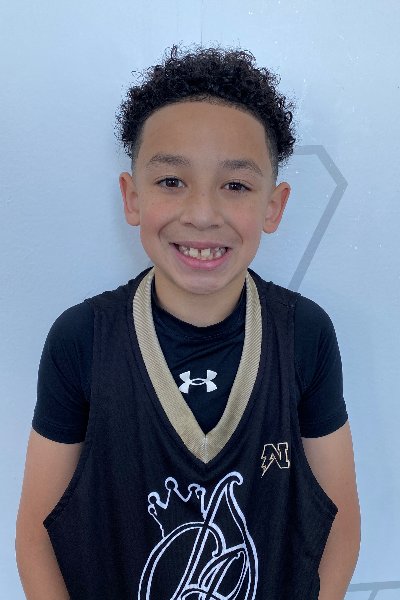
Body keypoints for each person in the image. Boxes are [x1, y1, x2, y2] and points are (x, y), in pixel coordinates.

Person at [15, 44, 360, 600]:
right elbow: (36, 535)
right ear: (132, 197)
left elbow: (340, 524)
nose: (202, 214)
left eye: (236, 185)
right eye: (172, 181)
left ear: (274, 206)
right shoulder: (81, 341)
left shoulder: (306, 336)